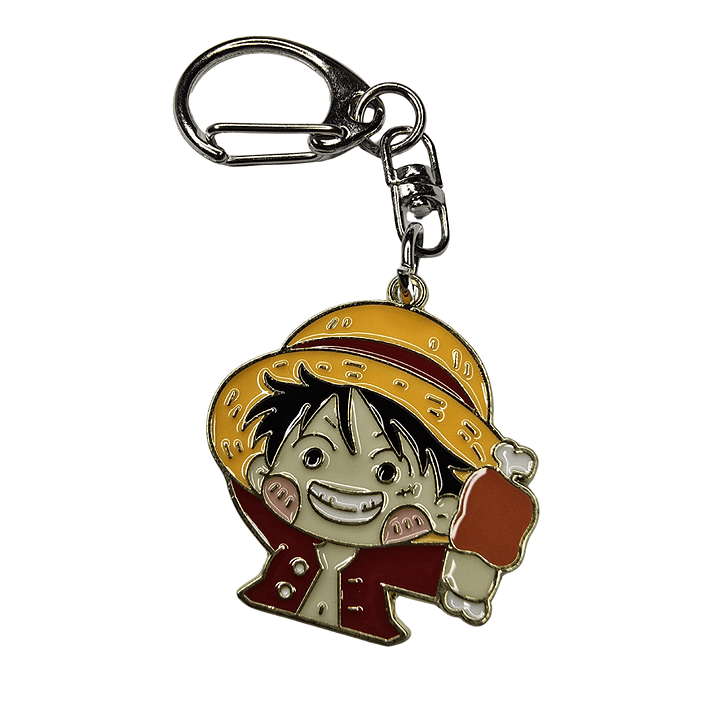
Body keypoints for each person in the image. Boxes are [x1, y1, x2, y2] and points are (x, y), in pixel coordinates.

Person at [209, 301, 538, 644]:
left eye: (386, 472)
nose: (344, 486)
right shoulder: (278, 519)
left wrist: (484, 526)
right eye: (313, 457)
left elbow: (461, 577)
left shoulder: (394, 560)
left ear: (439, 503)